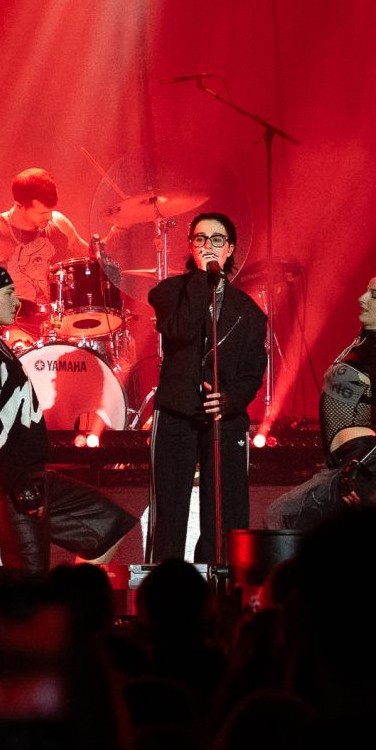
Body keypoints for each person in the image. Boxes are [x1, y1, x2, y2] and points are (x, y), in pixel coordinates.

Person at [0, 263, 136, 583]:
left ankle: (70, 603)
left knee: (108, 527)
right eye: (8, 294)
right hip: (7, 480)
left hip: (31, 476)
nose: (16, 302)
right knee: (28, 577)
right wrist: (19, 483)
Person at [145, 212, 267, 563]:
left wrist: (230, 400)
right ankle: (166, 582)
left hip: (224, 418)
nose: (208, 246)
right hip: (176, 412)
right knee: (169, 511)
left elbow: (253, 372)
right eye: (200, 239)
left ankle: (219, 580)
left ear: (230, 249)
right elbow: (181, 330)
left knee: (226, 513)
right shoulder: (169, 292)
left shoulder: (250, 313)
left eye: (217, 240)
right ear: (191, 246)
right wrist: (202, 276)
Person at [264, 272, 376, 531]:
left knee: (280, 515)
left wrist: (358, 467)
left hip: (359, 468)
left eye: (374, 295)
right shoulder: (365, 344)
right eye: (366, 291)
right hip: (343, 466)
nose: (362, 298)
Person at [0, 168, 90, 330]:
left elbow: (87, 256)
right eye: (42, 213)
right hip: (9, 327)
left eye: (51, 211)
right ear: (19, 206)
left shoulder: (59, 224)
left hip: (55, 326)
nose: (49, 217)